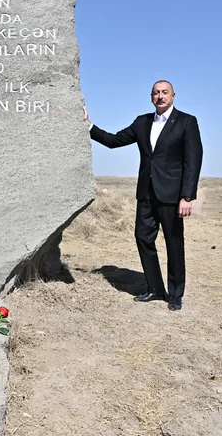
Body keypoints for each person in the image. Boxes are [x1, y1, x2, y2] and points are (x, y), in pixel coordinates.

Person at [84, 80, 203, 311]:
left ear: (173, 96)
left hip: (172, 195)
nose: (160, 96)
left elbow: (193, 161)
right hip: (146, 194)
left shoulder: (187, 122)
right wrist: (88, 125)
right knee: (142, 238)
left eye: (164, 92)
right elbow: (114, 141)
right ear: (151, 97)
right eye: (156, 93)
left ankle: (176, 294)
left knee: (174, 244)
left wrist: (187, 197)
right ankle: (155, 288)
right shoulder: (142, 122)